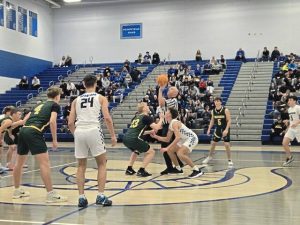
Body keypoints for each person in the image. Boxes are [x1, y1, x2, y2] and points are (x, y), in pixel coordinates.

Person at [68, 74, 117, 208]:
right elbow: (107, 118)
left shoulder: (75, 100)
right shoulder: (101, 98)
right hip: (93, 129)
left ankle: (81, 197)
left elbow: (70, 122)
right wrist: (113, 135)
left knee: (81, 166)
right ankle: (100, 195)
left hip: (79, 131)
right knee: (102, 164)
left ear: (84, 85)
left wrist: (76, 135)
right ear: (96, 83)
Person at [12, 87, 67, 203]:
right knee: (44, 163)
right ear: (57, 96)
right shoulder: (55, 105)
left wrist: (12, 125)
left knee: (19, 163)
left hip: (23, 130)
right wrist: (55, 140)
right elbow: (52, 121)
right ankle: (50, 194)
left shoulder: (38, 104)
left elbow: (24, 121)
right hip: (34, 132)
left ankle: (16, 190)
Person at [151, 108, 203, 178]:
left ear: (170, 114)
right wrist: (156, 136)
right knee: (170, 151)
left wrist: (167, 147)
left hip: (191, 138)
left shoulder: (175, 123)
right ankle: (178, 169)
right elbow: (167, 139)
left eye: (167, 111)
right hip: (184, 139)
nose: (165, 112)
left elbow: (177, 137)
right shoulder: (171, 124)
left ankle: (197, 170)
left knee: (180, 153)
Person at [123, 102, 163, 177]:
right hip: (133, 139)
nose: (148, 107)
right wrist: (161, 119)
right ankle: (141, 170)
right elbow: (157, 127)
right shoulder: (146, 117)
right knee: (151, 152)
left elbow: (138, 131)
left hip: (125, 138)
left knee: (136, 151)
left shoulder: (136, 117)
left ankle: (129, 169)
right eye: (147, 106)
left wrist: (149, 132)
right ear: (144, 108)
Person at [158, 85, 184, 175]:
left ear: (174, 93)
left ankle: (172, 167)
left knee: (165, 147)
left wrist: (160, 90)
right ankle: (178, 164)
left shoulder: (173, 101)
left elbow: (161, 103)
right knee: (170, 147)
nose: (169, 89)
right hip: (167, 125)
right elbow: (161, 105)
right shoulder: (168, 100)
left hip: (171, 126)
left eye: (171, 89)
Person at [202, 97, 233, 168]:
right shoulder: (213, 111)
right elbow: (212, 120)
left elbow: (229, 120)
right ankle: (209, 157)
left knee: (227, 145)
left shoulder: (226, 110)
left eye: (218, 101)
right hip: (218, 129)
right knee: (213, 143)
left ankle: (229, 160)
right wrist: (209, 129)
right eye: (215, 101)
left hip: (225, 128)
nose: (216, 102)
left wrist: (226, 130)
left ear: (221, 102)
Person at [282, 95, 300, 166]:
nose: (288, 101)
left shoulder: (298, 108)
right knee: (284, 143)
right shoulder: (289, 109)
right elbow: (292, 119)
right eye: (288, 100)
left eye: (290, 100)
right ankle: (289, 157)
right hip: (292, 128)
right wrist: (288, 121)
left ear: (294, 101)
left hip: (298, 128)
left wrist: (297, 123)